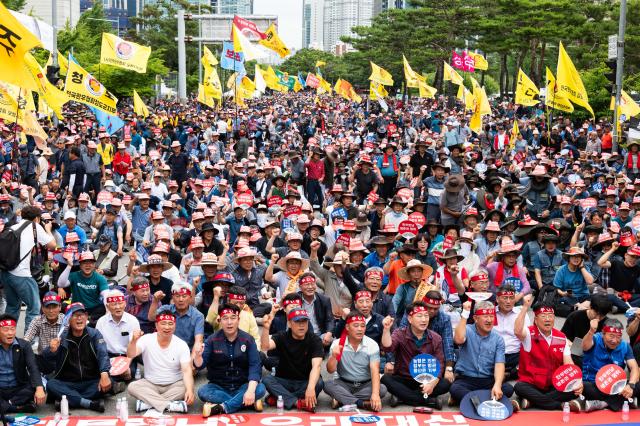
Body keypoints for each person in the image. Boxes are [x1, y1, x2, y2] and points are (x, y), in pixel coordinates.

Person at [513, 295, 582, 411]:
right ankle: (559, 405)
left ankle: (532, 401)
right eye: (543, 316)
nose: (547, 319)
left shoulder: (561, 337)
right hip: (532, 383)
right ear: (535, 319)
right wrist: (525, 307)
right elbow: (517, 330)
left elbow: (568, 364)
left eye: (550, 316)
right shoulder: (529, 334)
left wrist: (577, 381)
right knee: (519, 387)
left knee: (573, 390)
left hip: (553, 384)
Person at [194, 304, 266, 416]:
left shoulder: (248, 339)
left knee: (260, 388)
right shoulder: (212, 340)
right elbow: (200, 365)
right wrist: (197, 355)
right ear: (219, 320)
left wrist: (250, 391)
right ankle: (247, 402)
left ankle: (221, 407)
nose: (229, 322)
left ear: (238, 320)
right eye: (225, 318)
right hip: (219, 386)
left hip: (242, 384)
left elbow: (255, 366)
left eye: (233, 318)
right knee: (202, 392)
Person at [43, 303, 115, 413]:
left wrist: (104, 373)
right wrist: (51, 350)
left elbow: (103, 354)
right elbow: (46, 359)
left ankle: (67, 400)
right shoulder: (61, 337)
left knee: (110, 382)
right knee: (51, 385)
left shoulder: (94, 334)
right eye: (75, 315)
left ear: (86, 317)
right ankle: (89, 403)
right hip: (68, 382)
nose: (79, 318)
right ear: (68, 320)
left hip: (91, 381)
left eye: (82, 314)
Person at [381, 302, 449, 408]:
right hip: (404, 378)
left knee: (446, 383)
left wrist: (432, 383)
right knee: (386, 379)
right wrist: (386, 330)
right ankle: (428, 400)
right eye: (419, 316)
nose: (424, 319)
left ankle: (402, 397)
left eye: (426, 316)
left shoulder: (436, 338)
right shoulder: (400, 334)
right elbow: (387, 347)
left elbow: (440, 362)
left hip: (426, 379)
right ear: (410, 319)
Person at [126, 310, 195, 414]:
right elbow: (131, 354)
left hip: (174, 384)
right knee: (132, 387)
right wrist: (133, 341)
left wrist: (190, 390)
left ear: (175, 326)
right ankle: (170, 405)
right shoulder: (147, 339)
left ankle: (148, 404)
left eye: (170, 324)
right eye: (163, 323)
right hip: (151, 383)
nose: (167, 327)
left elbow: (186, 371)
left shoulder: (181, 344)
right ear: (156, 325)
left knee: (187, 387)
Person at [2, 206, 56, 330]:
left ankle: (6, 337)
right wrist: (47, 229)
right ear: (37, 218)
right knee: (34, 307)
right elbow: (52, 245)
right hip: (21, 275)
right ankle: (29, 341)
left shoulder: (13, 226)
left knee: (12, 306)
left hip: (6, 273)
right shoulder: (34, 227)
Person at [450, 300, 514, 404]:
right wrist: (465, 314)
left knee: (508, 389)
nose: (489, 320)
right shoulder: (467, 330)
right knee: (455, 389)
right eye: (485, 316)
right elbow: (458, 339)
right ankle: (491, 401)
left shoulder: (498, 339)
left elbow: (499, 364)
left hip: (487, 379)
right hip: (466, 379)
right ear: (475, 318)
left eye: (491, 316)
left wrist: (497, 385)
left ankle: (471, 400)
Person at [260, 308, 324, 412]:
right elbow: (265, 347)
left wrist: (311, 388)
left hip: (305, 381)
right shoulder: (282, 336)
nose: (302, 325)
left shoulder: (315, 340)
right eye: (297, 321)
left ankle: (280, 399)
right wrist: (266, 328)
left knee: (319, 383)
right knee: (267, 380)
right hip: (284, 381)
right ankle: (298, 402)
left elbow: (316, 366)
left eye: (304, 321)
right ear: (289, 323)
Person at [324, 311, 386, 411]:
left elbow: (375, 370)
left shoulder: (372, 344)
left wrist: (375, 395)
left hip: (365, 384)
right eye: (356, 326)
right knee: (327, 385)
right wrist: (334, 356)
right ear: (347, 327)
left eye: (362, 326)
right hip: (344, 383)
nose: (360, 329)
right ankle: (361, 403)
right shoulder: (338, 343)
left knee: (382, 389)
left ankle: (341, 400)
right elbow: (330, 370)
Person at [581, 317, 640, 412]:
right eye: (611, 336)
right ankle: (625, 401)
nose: (615, 340)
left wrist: (630, 385)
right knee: (583, 387)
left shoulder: (625, 345)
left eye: (618, 337)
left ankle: (603, 403)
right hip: (594, 384)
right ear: (603, 334)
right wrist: (591, 331)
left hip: (617, 386)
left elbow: (634, 367)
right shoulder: (595, 338)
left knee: (637, 384)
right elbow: (584, 346)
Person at [0, 314, 46, 414]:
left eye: (12, 329)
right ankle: (17, 408)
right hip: (1, 389)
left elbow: (33, 367)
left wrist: (39, 388)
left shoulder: (24, 345)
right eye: (6, 330)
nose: (10, 333)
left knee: (40, 386)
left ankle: (7, 405)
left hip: (19, 388)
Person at [95, 289, 140, 379]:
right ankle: (113, 384)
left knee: (128, 373)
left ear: (125, 304)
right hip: (108, 356)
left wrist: (126, 364)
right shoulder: (101, 322)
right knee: (101, 373)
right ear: (107, 306)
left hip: (126, 357)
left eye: (120, 303)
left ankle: (113, 384)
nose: (118, 307)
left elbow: (135, 346)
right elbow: (99, 346)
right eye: (114, 304)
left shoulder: (133, 320)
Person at [58, 251, 109, 325]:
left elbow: (106, 295)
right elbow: (61, 284)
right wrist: (69, 266)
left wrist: (108, 311)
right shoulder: (74, 276)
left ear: (94, 264)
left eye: (91, 263)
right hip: (77, 308)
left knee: (102, 309)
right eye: (85, 263)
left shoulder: (100, 278)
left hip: (94, 309)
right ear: (80, 265)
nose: (88, 265)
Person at [23, 292, 64, 371]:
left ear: (60, 307)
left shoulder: (66, 321)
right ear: (42, 308)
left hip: (63, 359)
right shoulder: (37, 320)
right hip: (44, 359)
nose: (51, 311)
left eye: (54, 306)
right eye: (48, 307)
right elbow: (27, 338)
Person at [168, 281, 205, 352]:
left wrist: (191, 360)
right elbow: (151, 318)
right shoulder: (166, 310)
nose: (180, 299)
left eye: (184, 296)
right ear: (173, 297)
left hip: (189, 352)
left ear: (190, 297)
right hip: (168, 351)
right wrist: (155, 301)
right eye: (177, 296)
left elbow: (198, 341)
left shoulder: (198, 316)